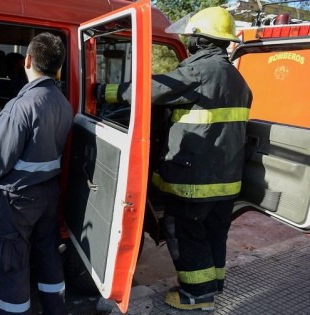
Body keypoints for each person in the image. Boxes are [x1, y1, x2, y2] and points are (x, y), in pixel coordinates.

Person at [95, 7, 253, 311]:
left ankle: (196, 295)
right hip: (227, 181)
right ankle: (212, 286)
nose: (189, 43)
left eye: (192, 38)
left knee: (184, 231)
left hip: (195, 182)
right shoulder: (237, 78)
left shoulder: (200, 70)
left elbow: (149, 91)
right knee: (213, 233)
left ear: (201, 40)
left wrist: (103, 90)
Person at [0, 32, 73, 314]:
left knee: (12, 262)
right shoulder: (63, 103)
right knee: (47, 253)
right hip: (48, 193)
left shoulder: (19, 107)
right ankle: (56, 309)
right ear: (58, 66)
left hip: (19, 199)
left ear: (28, 60)